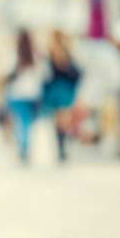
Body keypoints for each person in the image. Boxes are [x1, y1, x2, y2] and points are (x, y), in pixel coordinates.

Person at [5, 29, 49, 163]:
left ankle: (23, 147)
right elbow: (46, 75)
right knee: (27, 123)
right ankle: (24, 147)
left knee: (21, 122)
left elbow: (5, 73)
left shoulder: (13, 55)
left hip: (16, 94)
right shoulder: (37, 56)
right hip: (32, 95)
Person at [42, 29, 82, 162]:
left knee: (59, 122)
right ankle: (62, 149)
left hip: (56, 91)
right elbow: (77, 73)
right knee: (63, 122)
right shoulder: (66, 53)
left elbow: (47, 76)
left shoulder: (51, 54)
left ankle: (61, 148)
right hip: (65, 90)